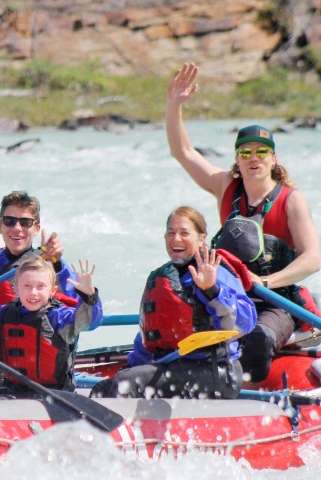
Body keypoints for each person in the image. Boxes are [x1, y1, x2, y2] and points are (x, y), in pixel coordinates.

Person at [166, 63, 321, 383]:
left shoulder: (291, 200)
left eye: (262, 151)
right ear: (237, 158)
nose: (254, 157)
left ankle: (248, 393)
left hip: (278, 301)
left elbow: (313, 258)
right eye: (246, 151)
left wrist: (267, 282)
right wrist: (174, 104)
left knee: (259, 338)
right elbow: (182, 151)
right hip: (227, 295)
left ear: (273, 159)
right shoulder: (225, 186)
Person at [91, 207, 257, 399]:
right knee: (106, 387)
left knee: (122, 385)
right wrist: (131, 367)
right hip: (174, 365)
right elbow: (149, 336)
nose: (176, 239)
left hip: (215, 372)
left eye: (184, 233)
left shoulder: (214, 272)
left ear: (202, 239)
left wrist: (212, 291)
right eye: (171, 233)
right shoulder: (163, 277)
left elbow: (246, 322)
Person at [0, 254, 103, 392]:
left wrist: (89, 296)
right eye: (27, 286)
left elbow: (89, 322)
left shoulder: (59, 317)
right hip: (14, 389)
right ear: (16, 288)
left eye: (40, 287)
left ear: (52, 291)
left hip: (55, 392)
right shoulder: (3, 314)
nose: (33, 292)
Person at [0, 191, 81, 320]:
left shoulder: (49, 263)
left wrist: (56, 264)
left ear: (36, 229)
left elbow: (81, 314)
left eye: (25, 222)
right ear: (0, 226)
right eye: (10, 221)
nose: (17, 228)